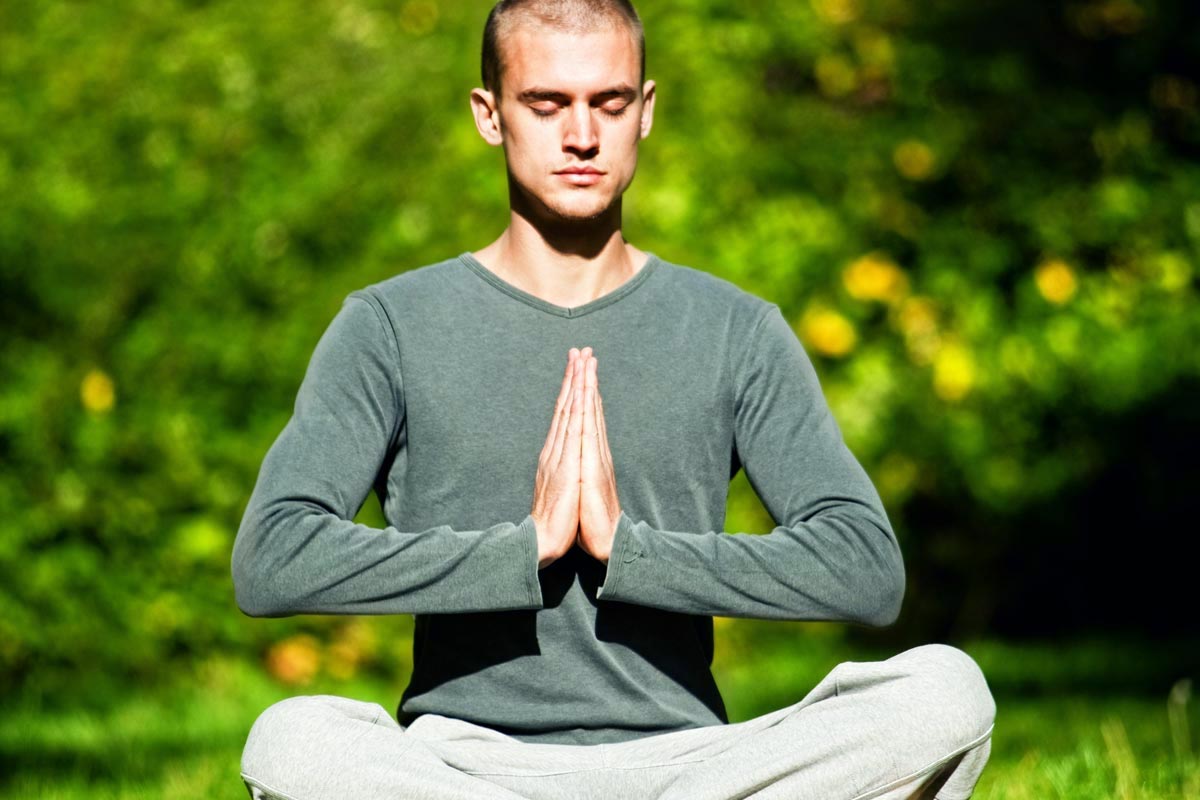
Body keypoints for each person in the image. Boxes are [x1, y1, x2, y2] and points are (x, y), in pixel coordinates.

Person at [230, 0, 996, 797]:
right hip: (466, 768)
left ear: (646, 110)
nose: (583, 135)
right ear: (490, 115)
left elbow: (864, 569)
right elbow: (274, 559)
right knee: (293, 739)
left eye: (609, 102)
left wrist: (627, 553)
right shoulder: (389, 326)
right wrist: (520, 552)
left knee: (947, 691)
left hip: (692, 771)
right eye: (547, 103)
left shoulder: (736, 330)